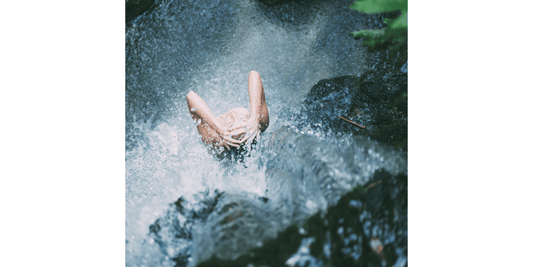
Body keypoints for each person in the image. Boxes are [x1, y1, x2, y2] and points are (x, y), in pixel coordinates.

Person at [186, 70, 269, 154]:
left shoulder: (215, 142)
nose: (234, 114)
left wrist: (219, 129)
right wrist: (254, 117)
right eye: (244, 120)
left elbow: (191, 96)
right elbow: (254, 74)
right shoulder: (259, 125)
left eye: (231, 122)